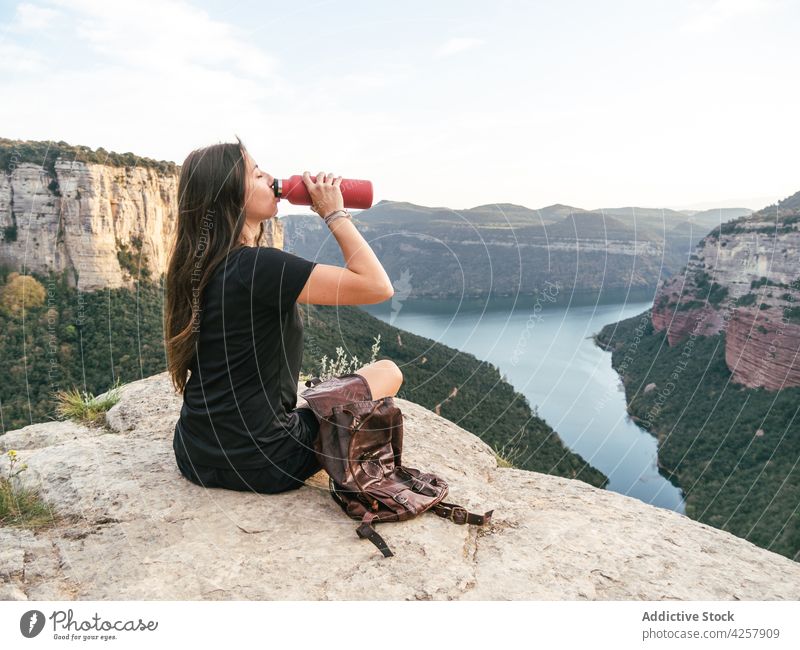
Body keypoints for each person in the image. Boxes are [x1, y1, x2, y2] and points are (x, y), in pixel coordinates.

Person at [164, 136, 403, 494]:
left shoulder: (197, 267)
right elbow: (376, 286)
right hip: (267, 461)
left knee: (330, 391)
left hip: (194, 455)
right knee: (387, 371)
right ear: (231, 195)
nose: (270, 178)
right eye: (257, 174)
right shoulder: (258, 266)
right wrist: (334, 212)